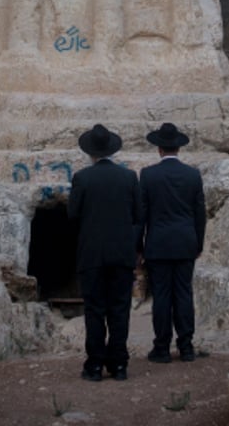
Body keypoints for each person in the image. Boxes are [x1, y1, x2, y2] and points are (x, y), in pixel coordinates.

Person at [67, 124, 142, 382]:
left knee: (95, 310)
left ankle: (95, 365)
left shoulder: (82, 178)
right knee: (120, 309)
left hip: (92, 255)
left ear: (90, 152)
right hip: (122, 253)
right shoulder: (129, 177)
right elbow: (138, 216)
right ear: (112, 149)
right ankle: (119, 365)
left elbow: (72, 214)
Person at [140, 122, 206, 363]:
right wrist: (198, 244)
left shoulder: (148, 175)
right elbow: (200, 214)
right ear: (179, 148)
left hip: (158, 244)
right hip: (186, 243)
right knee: (184, 294)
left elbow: (142, 215)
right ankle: (186, 347)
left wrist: (139, 247)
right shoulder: (193, 175)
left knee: (162, 296)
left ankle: (162, 348)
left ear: (159, 148)